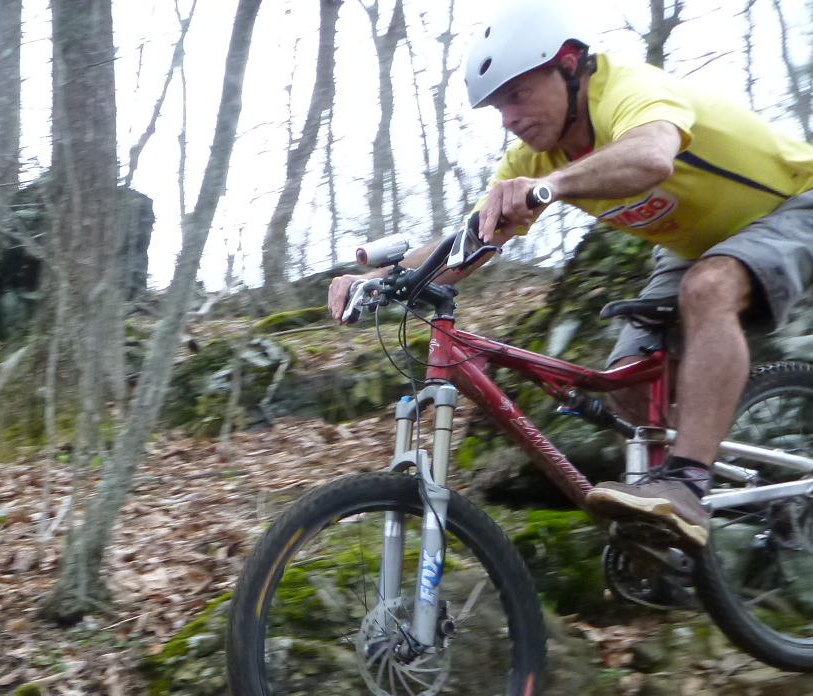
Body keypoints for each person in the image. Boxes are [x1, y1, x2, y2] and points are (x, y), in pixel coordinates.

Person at [327, 2, 813, 549]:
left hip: (792, 203)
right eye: (497, 107)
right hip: (692, 245)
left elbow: (653, 157)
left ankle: (687, 481)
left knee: (711, 287)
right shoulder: (530, 160)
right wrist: (381, 281)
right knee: (628, 382)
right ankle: (680, 517)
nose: (508, 117)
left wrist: (551, 187)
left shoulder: (626, 86)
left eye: (517, 94)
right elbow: (469, 244)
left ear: (568, 64)